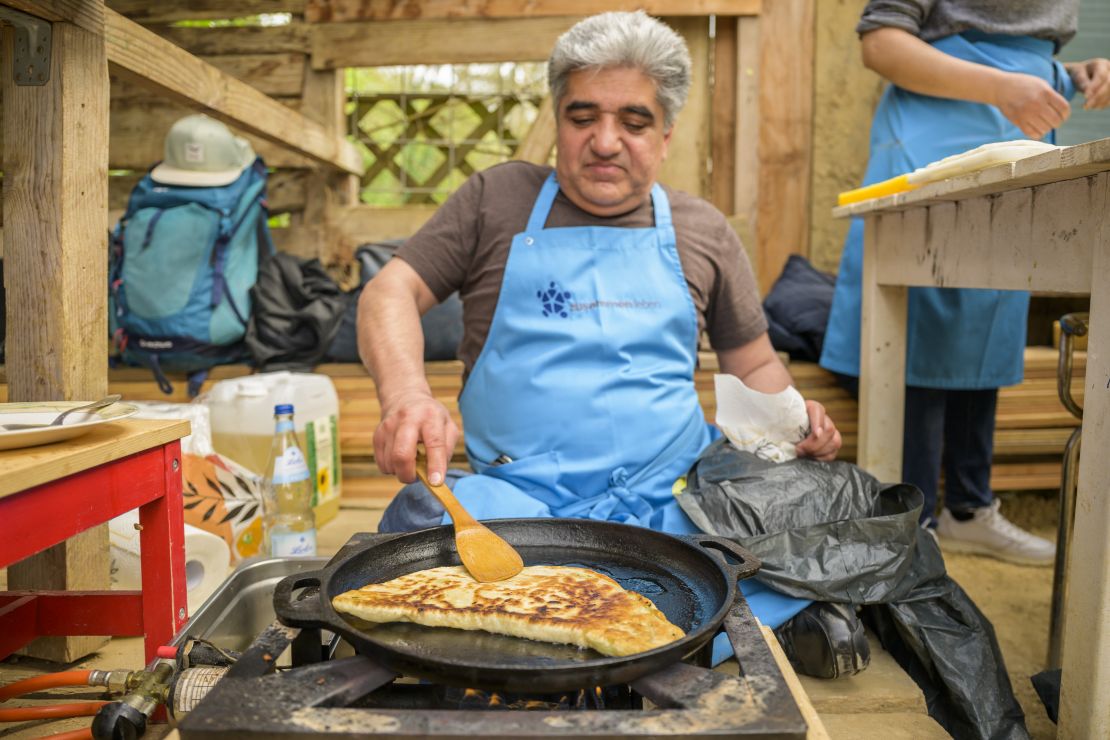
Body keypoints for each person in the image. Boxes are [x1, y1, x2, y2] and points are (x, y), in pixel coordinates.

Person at [358, 11, 858, 676]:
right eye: (583, 115)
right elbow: (389, 292)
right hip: (518, 504)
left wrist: (793, 424)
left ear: (667, 133)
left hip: (675, 499)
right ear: (557, 118)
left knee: (811, 506)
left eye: (634, 121)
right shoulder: (496, 201)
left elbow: (754, 361)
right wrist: (407, 396)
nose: (605, 141)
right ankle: (734, 628)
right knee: (425, 521)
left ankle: (595, 631)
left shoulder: (701, 229)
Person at [820, 1, 1110, 567]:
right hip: (944, 119)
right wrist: (1002, 87)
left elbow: (1015, 34)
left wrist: (1073, 73)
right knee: (924, 314)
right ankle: (910, 520)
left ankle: (969, 510)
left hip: (1016, 120)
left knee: (991, 309)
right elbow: (881, 40)